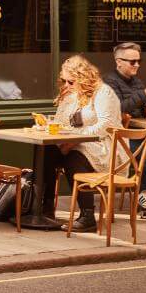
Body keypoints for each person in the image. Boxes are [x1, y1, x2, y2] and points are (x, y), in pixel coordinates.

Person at [49, 55, 122, 232]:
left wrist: (77, 138)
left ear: (83, 78)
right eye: (63, 81)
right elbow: (59, 122)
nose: (66, 85)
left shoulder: (103, 92)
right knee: (47, 152)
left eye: (71, 81)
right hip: (73, 143)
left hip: (104, 148)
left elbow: (104, 125)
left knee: (75, 157)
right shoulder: (70, 95)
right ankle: (43, 211)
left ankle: (87, 216)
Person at [102, 42, 146, 212]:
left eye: (139, 61)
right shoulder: (108, 82)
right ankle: (143, 193)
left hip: (140, 133)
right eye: (133, 62)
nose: (137, 65)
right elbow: (117, 109)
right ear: (119, 62)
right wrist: (145, 94)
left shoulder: (137, 82)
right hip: (118, 137)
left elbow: (144, 111)